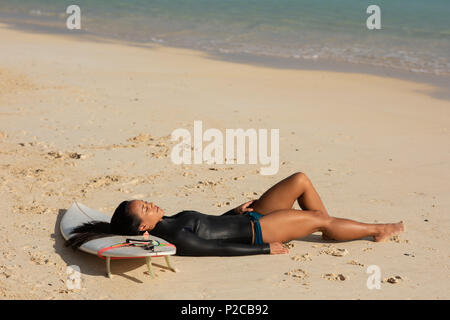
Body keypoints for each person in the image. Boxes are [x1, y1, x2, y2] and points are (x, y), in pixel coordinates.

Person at [66, 172, 404, 256]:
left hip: (248, 216)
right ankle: (377, 229)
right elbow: (216, 248)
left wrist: (233, 210)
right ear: (143, 228)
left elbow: (211, 224)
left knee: (300, 180)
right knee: (317, 218)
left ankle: (332, 227)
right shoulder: (174, 236)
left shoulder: (169, 221)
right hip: (259, 231)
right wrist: (264, 248)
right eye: (145, 209)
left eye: (145, 201)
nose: (150, 204)